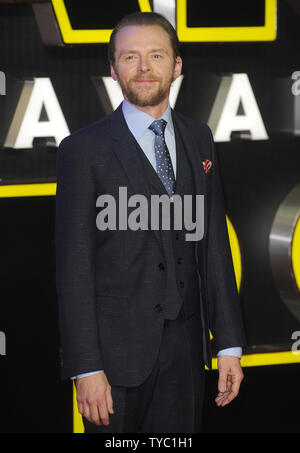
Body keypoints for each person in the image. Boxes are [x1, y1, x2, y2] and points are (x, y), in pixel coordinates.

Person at [55, 12, 246, 433]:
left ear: (177, 65)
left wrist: (228, 343)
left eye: (156, 55)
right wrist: (86, 368)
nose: (144, 68)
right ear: (112, 68)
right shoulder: (83, 150)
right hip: (113, 362)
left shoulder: (199, 138)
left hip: (186, 352)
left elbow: (213, 245)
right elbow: (74, 269)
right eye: (130, 57)